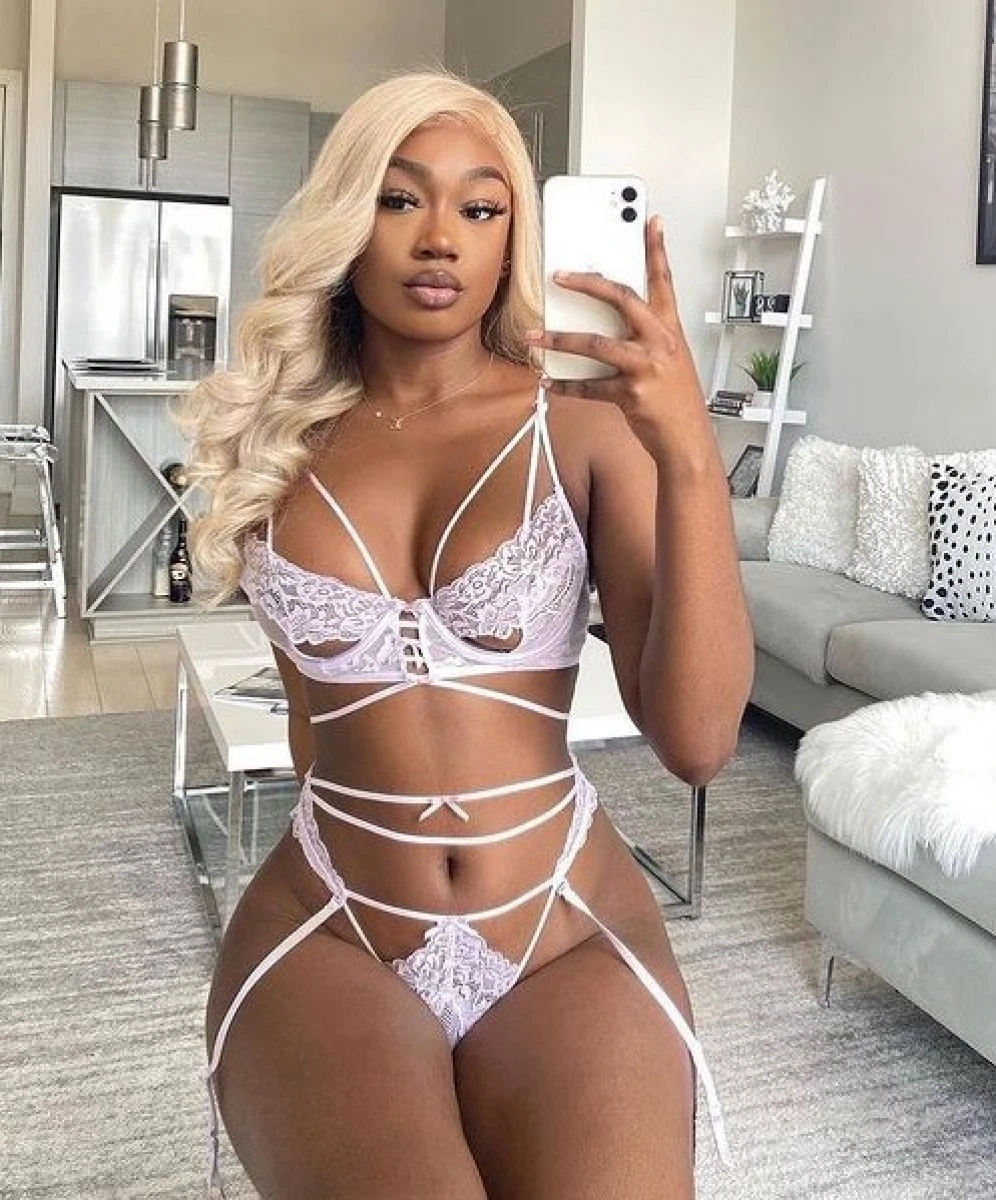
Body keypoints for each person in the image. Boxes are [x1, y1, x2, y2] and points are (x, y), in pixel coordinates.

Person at [184, 69, 753, 1200]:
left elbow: (698, 744)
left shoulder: (584, 426)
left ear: (512, 240)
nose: (439, 236)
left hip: (563, 926)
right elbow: (313, 732)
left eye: (481, 207)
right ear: (348, 219)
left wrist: (689, 453)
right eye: (400, 199)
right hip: (331, 924)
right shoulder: (280, 440)